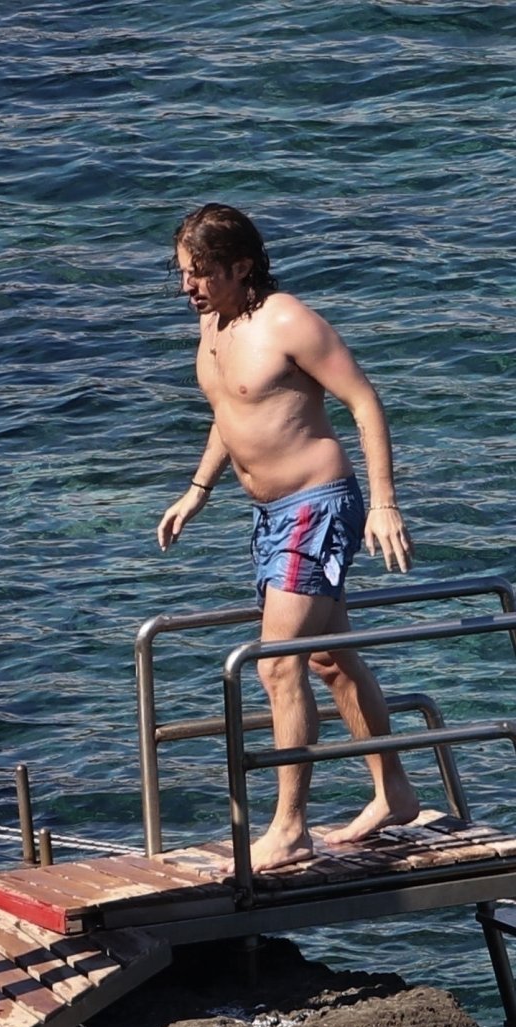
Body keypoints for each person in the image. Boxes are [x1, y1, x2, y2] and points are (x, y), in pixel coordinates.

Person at [157, 203, 419, 872]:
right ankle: (394, 792)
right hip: (270, 514)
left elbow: (364, 402)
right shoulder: (213, 325)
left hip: (317, 506)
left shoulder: (287, 322)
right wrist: (198, 489)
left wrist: (384, 505)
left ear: (241, 266)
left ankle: (290, 827)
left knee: (277, 664)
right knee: (329, 659)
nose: (188, 286)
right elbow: (231, 410)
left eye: (201, 273)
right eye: (182, 272)